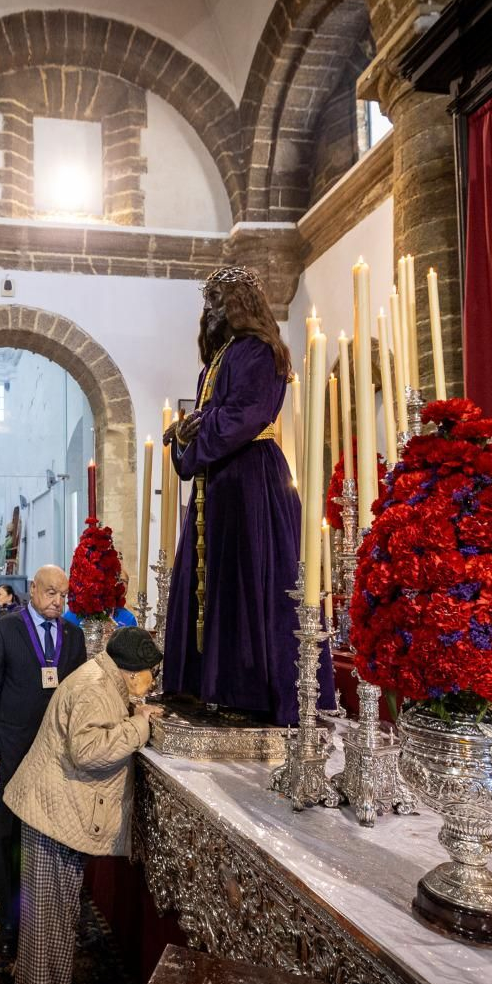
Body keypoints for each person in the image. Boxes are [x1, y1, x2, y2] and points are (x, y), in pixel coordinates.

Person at [164, 265, 333, 726]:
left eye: (219, 298)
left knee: (248, 579)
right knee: (214, 581)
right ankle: (206, 686)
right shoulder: (217, 360)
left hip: (250, 482)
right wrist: (186, 435)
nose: (211, 308)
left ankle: (248, 691)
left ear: (241, 302)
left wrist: (196, 430)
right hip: (218, 484)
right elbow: (209, 419)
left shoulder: (258, 351)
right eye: (208, 300)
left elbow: (245, 414)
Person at [5, 628, 166, 984]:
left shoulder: (102, 677)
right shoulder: (95, 688)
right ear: (132, 673)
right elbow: (89, 751)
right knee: (48, 924)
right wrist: (140, 725)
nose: (152, 680)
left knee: (57, 918)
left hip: (57, 811)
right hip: (53, 815)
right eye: (150, 673)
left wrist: (133, 711)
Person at [0, 564, 86, 958]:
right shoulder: (5, 629)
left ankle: (45, 914)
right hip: (12, 751)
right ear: (33, 589)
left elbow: (78, 695)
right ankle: (8, 919)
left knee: (49, 834)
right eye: (51, 592)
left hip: (55, 756)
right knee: (9, 834)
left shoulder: (73, 635)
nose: (57, 601)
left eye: (63, 595)